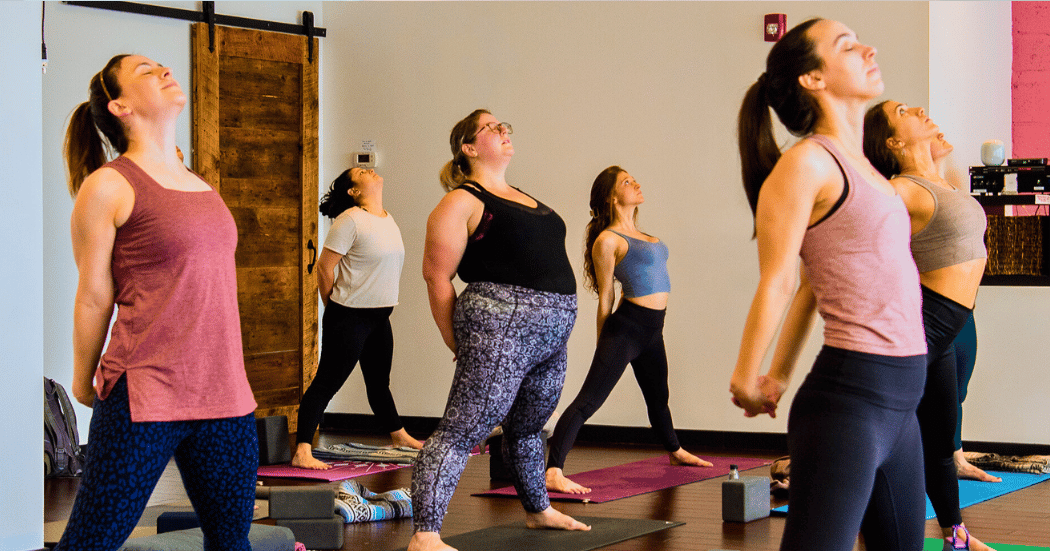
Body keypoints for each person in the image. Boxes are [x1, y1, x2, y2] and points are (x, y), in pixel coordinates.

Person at [730, 19, 928, 551]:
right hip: (851, 404)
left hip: (902, 406)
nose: (869, 47)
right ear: (812, 79)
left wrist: (779, 372)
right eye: (846, 45)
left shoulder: (863, 168)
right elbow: (778, 279)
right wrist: (748, 376)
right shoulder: (807, 164)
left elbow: (812, 289)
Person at [56, 55, 258, 550]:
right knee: (92, 541)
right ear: (119, 105)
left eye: (162, 66)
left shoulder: (197, 180)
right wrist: (84, 380)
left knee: (233, 544)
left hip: (225, 394)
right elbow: (93, 295)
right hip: (147, 390)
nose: (164, 71)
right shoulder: (108, 185)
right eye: (146, 71)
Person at [411, 109, 590, 551]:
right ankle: (425, 534)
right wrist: (456, 340)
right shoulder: (461, 201)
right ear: (468, 148)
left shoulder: (521, 195)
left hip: (551, 334)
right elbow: (436, 277)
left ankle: (538, 509)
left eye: (505, 125)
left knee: (528, 428)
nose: (504, 130)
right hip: (500, 322)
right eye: (492, 127)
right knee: (463, 429)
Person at [865, 100, 999, 550]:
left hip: (943, 331)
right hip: (919, 328)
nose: (920, 108)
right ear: (893, 141)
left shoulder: (940, 183)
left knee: (941, 445)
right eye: (903, 110)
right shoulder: (901, 190)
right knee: (880, 444)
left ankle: (956, 537)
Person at [544, 166, 712, 494]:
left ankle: (674, 450)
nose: (635, 183)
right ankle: (553, 470)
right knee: (588, 401)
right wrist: (601, 341)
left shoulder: (648, 237)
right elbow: (606, 294)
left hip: (653, 330)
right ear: (612, 197)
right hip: (626, 330)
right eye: (626, 182)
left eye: (633, 178)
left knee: (659, 397)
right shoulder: (608, 240)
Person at [292, 167, 424, 470]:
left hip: (380, 316)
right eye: (362, 171)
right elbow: (325, 268)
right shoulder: (349, 220)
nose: (371, 170)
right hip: (350, 316)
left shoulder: (387, 218)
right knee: (326, 383)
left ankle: (399, 436)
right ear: (353, 190)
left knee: (379, 383)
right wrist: (335, 309)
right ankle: (302, 450)